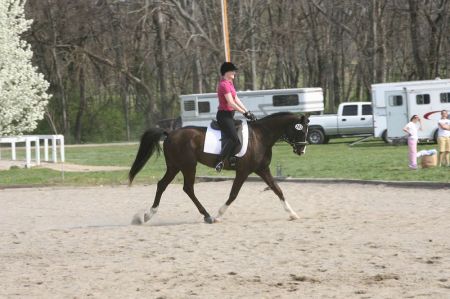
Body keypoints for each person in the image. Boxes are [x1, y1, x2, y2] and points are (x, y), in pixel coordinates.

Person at [215, 62, 256, 172]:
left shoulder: (230, 83)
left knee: (242, 131)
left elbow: (236, 99)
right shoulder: (223, 85)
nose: (234, 73)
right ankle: (220, 161)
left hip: (230, 116)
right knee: (235, 139)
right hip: (224, 117)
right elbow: (231, 103)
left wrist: (248, 111)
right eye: (232, 71)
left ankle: (232, 157)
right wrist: (244, 113)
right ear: (227, 72)